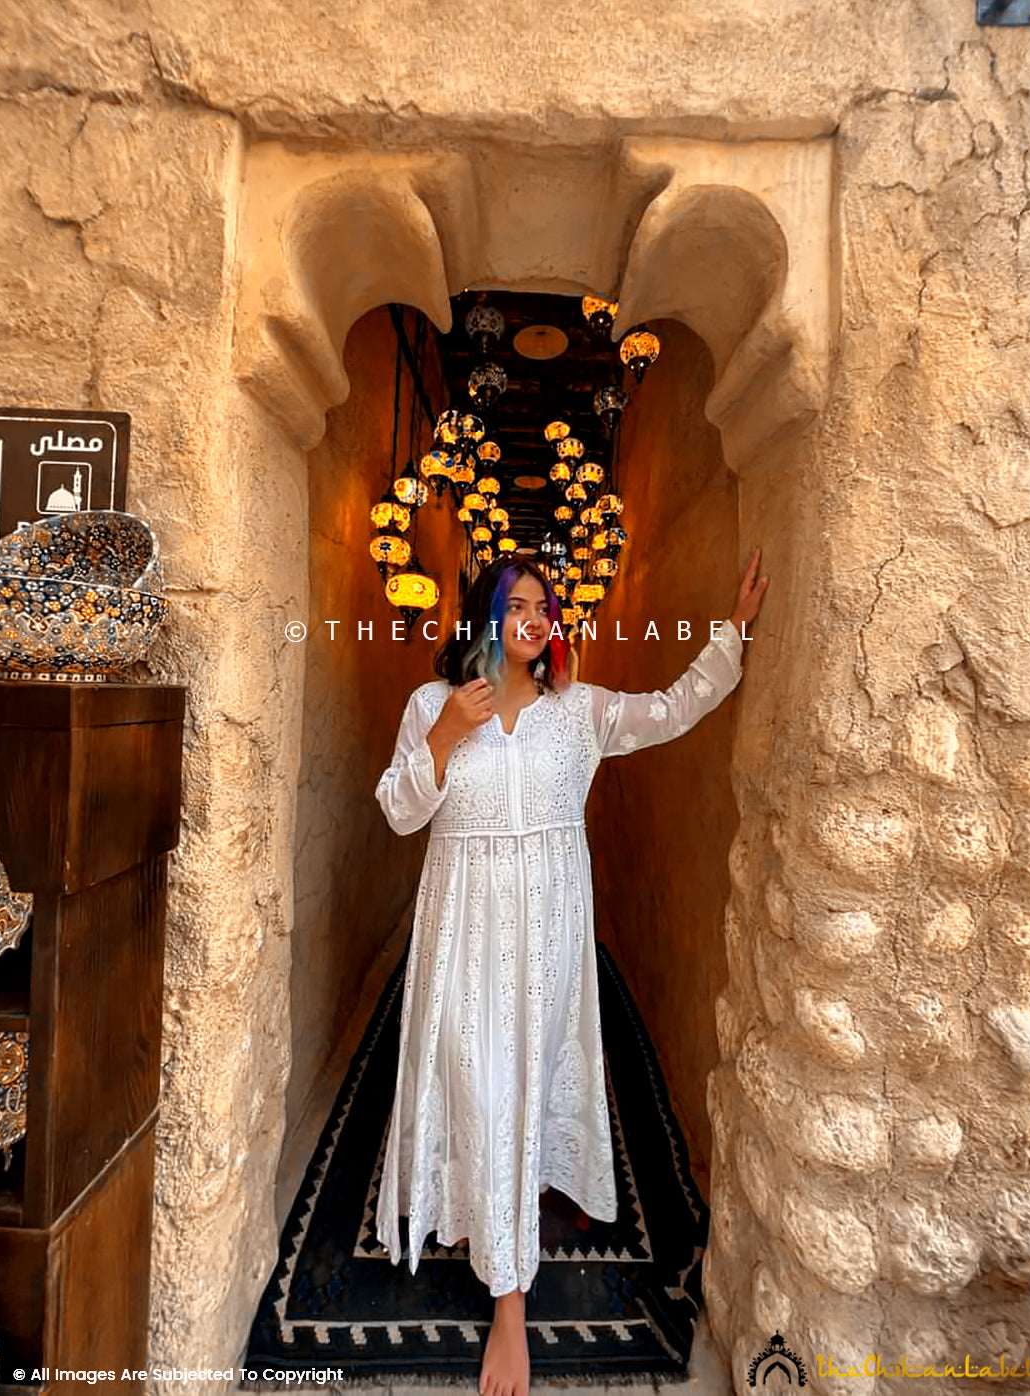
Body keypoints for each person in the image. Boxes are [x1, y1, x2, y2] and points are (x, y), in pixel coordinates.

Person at [374, 549, 768, 1396]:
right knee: (473, 1083)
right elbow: (399, 814)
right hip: (461, 933)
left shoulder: (577, 710)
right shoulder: (431, 705)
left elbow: (670, 710)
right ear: (484, 616)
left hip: (547, 939)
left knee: (517, 1089)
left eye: (544, 606)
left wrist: (731, 634)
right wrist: (443, 738)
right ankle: (482, 1230)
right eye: (516, 604)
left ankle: (508, 1304)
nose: (534, 618)